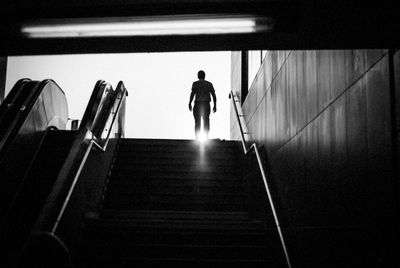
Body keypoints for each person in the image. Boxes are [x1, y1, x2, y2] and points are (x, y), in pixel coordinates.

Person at [188, 70, 217, 140]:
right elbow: (214, 95)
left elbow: (192, 94)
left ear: (198, 76)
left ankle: (197, 137)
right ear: (204, 76)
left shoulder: (195, 84)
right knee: (206, 121)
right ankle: (206, 136)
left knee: (197, 122)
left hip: (197, 104)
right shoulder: (209, 84)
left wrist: (189, 103)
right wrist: (215, 105)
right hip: (206, 104)